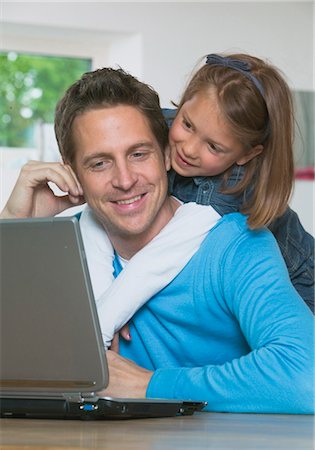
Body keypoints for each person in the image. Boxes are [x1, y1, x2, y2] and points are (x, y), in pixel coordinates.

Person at [1, 65, 314, 413]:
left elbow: (307, 379)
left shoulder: (237, 245)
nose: (124, 179)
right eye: (100, 163)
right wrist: (13, 224)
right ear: (72, 172)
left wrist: (149, 385)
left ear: (166, 154)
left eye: (138, 154)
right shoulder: (53, 248)